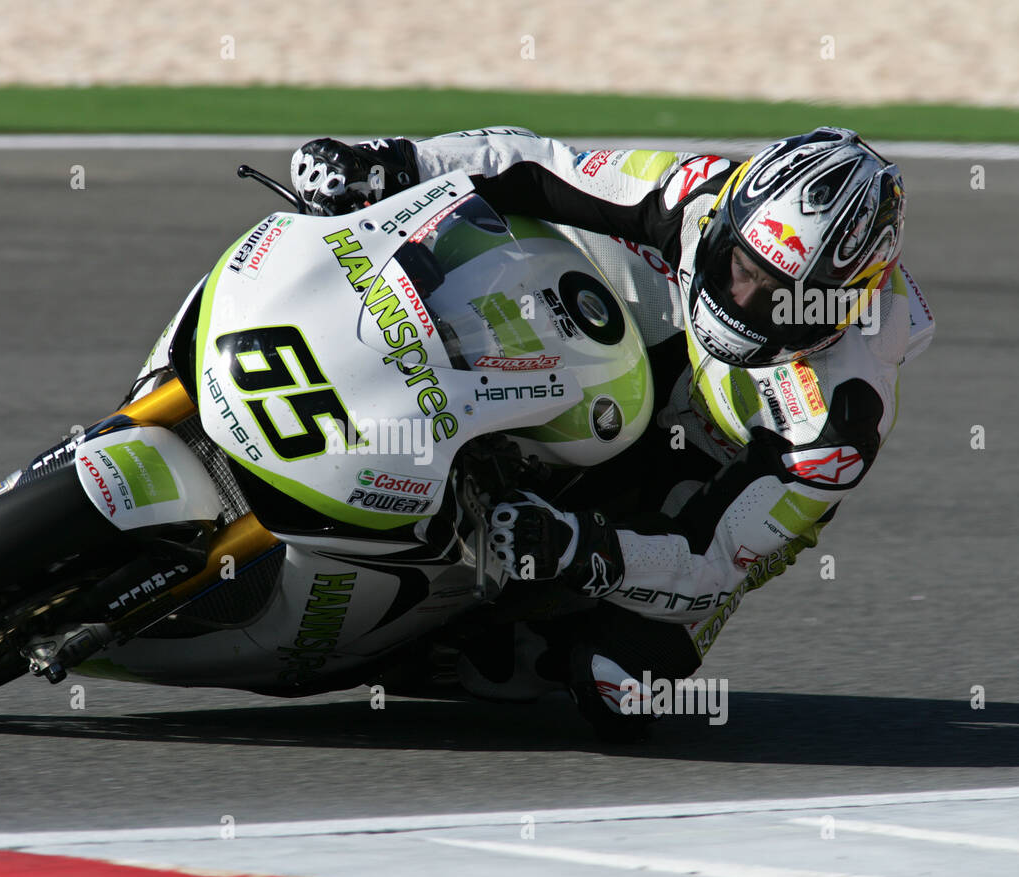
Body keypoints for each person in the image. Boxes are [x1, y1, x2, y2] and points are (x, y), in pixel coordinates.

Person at [290, 127, 935, 739]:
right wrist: (393, 165)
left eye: (773, 294)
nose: (740, 294)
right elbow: (542, 165)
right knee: (487, 240)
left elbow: (712, 561)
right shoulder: (708, 193)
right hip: (657, 327)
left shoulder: (837, 427)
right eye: (738, 263)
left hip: (719, 465)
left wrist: (576, 546)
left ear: (843, 303)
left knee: (616, 686)